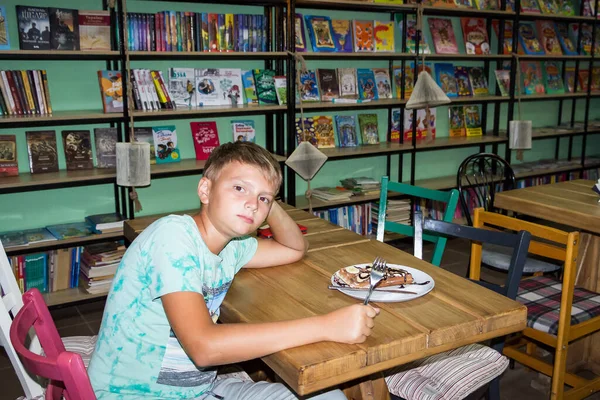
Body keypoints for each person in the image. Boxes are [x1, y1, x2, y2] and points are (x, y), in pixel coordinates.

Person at [88, 141, 379, 399]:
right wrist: (327, 326)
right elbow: (204, 348)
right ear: (205, 190)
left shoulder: (232, 245)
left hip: (198, 389)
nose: (252, 204)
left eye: (262, 198)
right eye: (239, 188)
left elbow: (294, 248)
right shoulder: (173, 237)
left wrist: (265, 198)